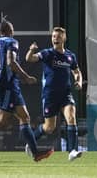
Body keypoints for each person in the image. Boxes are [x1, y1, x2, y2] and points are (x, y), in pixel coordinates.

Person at [0, 21, 54, 162]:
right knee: (17, 118)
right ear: (9, 31)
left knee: (10, 120)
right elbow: (11, 62)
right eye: (12, 30)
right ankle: (35, 152)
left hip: (2, 86)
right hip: (9, 85)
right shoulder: (11, 42)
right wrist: (26, 77)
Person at [25, 27, 83, 161]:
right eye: (53, 36)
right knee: (49, 127)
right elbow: (30, 59)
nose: (55, 38)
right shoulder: (47, 53)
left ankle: (72, 151)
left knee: (71, 117)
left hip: (65, 94)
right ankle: (31, 142)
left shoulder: (70, 56)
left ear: (64, 38)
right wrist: (31, 50)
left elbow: (76, 71)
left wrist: (78, 81)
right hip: (50, 95)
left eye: (58, 36)